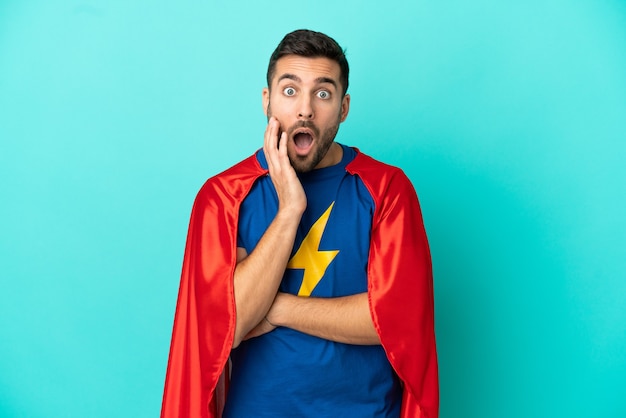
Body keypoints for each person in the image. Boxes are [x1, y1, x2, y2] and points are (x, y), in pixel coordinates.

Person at [161, 29, 438, 418]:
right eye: (290, 91)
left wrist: (278, 309)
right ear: (267, 101)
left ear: (343, 108)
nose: (305, 109)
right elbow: (231, 323)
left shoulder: (387, 189)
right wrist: (290, 208)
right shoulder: (225, 197)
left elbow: (391, 320)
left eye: (322, 94)